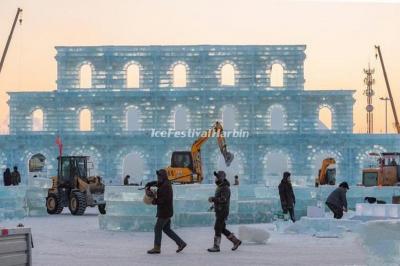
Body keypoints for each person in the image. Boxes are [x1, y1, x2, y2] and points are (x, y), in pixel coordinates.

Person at [147, 169, 186, 254]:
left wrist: (154, 200)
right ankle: (181, 243)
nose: (158, 178)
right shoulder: (164, 183)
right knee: (166, 229)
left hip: (164, 212)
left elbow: (163, 200)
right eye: (157, 177)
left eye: (159, 176)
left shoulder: (165, 186)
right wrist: (151, 183)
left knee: (157, 228)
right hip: (167, 211)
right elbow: (158, 184)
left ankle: (157, 248)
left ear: (163, 176)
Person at [207, 171, 241, 252]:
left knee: (217, 227)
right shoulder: (220, 187)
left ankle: (216, 246)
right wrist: (213, 206)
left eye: (217, 177)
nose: (216, 178)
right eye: (216, 177)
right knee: (221, 228)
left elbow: (223, 199)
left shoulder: (225, 188)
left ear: (221, 178)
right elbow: (220, 199)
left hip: (222, 211)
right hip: (219, 210)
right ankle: (236, 241)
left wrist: (213, 199)